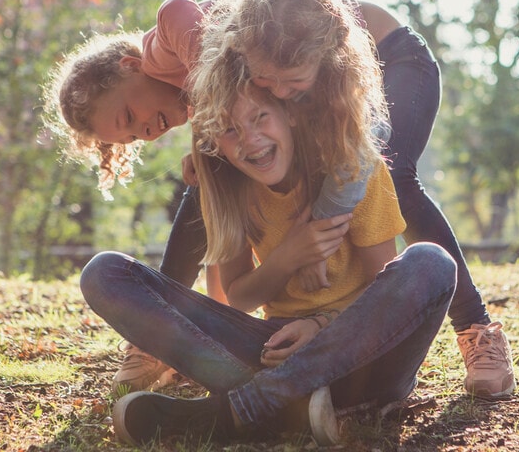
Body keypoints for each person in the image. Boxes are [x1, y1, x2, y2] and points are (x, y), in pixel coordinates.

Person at [45, 0, 514, 398]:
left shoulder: (169, 37)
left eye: (130, 116)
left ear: (131, 66)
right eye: (129, 137)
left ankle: (477, 329)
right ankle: (159, 341)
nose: (144, 133)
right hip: (311, 78)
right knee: (207, 185)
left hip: (388, 57)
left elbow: (185, 22)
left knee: (390, 172)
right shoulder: (240, 104)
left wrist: (314, 239)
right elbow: (228, 224)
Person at [78, 76, 457, 446]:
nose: (250, 140)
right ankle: (291, 404)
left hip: (367, 362)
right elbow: (240, 296)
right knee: (104, 272)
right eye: (229, 131)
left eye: (260, 118)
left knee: (431, 263)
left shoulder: (352, 169)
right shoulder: (230, 189)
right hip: (273, 349)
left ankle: (249, 406)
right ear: (216, 144)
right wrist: (287, 258)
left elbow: (385, 298)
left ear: (290, 114)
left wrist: (322, 325)